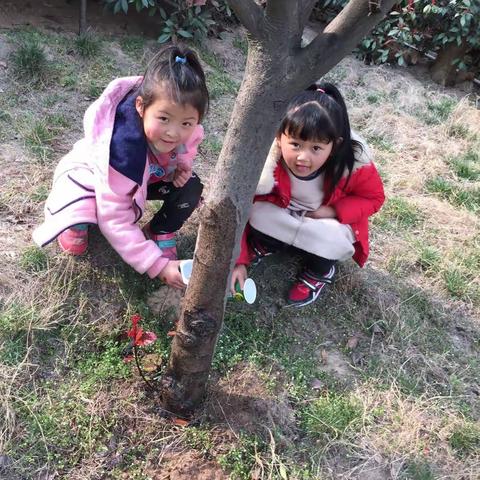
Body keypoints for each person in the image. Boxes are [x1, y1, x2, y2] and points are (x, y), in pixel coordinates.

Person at [33, 45, 208, 289]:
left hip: (144, 178)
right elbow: (115, 219)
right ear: (140, 107)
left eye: (186, 123)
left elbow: (190, 142)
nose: (173, 132)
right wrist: (157, 265)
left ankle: (159, 229)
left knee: (191, 187)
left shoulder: (187, 127)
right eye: (164, 119)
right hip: (93, 179)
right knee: (87, 209)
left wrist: (183, 164)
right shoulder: (122, 151)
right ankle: (73, 219)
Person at [231, 83, 385, 307]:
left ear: (335, 145)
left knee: (333, 240)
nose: (303, 157)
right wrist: (240, 259)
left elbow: (374, 198)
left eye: (316, 148)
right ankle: (270, 243)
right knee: (257, 213)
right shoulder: (267, 162)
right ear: (278, 136)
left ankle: (319, 270)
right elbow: (240, 205)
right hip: (283, 212)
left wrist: (332, 211)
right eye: (295, 144)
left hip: (324, 222)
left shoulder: (353, 164)